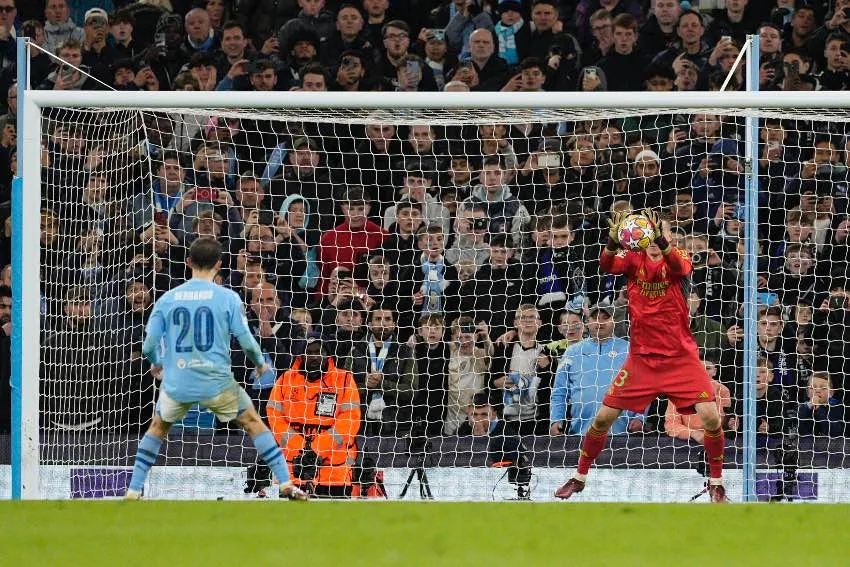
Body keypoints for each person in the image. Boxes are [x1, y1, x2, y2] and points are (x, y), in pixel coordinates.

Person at [554, 209, 728, 502]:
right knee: (602, 419)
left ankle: (717, 482)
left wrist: (661, 238)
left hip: (680, 359)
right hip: (642, 360)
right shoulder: (633, 260)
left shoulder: (679, 257)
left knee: (711, 419)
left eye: (662, 233)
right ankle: (579, 477)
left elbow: (679, 267)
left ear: (669, 236)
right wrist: (612, 241)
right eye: (650, 234)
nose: (655, 240)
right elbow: (606, 264)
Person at [124, 238, 308, 501]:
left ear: (188, 262)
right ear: (219, 265)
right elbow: (246, 339)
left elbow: (150, 344)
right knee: (254, 424)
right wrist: (260, 363)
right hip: (216, 382)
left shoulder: (167, 299)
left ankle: (134, 489)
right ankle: (285, 483)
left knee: (156, 429)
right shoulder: (228, 297)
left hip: (179, 380)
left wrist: (156, 363)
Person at [267, 333, 362, 498]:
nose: (314, 356)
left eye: (319, 351)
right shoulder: (285, 379)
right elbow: (275, 418)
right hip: (294, 469)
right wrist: (301, 447)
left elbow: (349, 421)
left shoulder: (344, 379)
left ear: (327, 354)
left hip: (334, 472)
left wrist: (317, 449)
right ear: (302, 355)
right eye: (309, 352)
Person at [550, 305, 641, 436]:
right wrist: (556, 420)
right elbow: (559, 391)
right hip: (580, 434)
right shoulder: (572, 352)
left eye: (605, 318)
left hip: (622, 435)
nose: (600, 322)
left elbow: (643, 387)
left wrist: (639, 417)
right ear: (587, 322)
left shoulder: (630, 350)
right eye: (595, 318)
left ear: (614, 321)